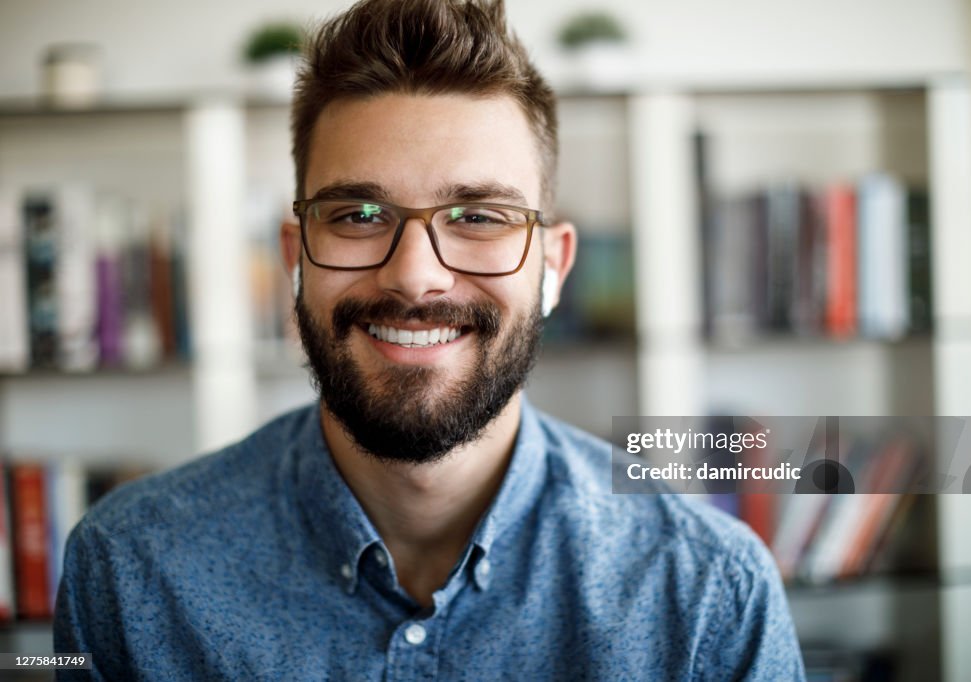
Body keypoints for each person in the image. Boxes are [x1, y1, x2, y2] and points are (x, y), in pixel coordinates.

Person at [54, 0, 805, 679]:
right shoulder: (127, 572)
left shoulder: (708, 589)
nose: (415, 279)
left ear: (554, 266)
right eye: (358, 216)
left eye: (477, 217)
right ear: (295, 257)